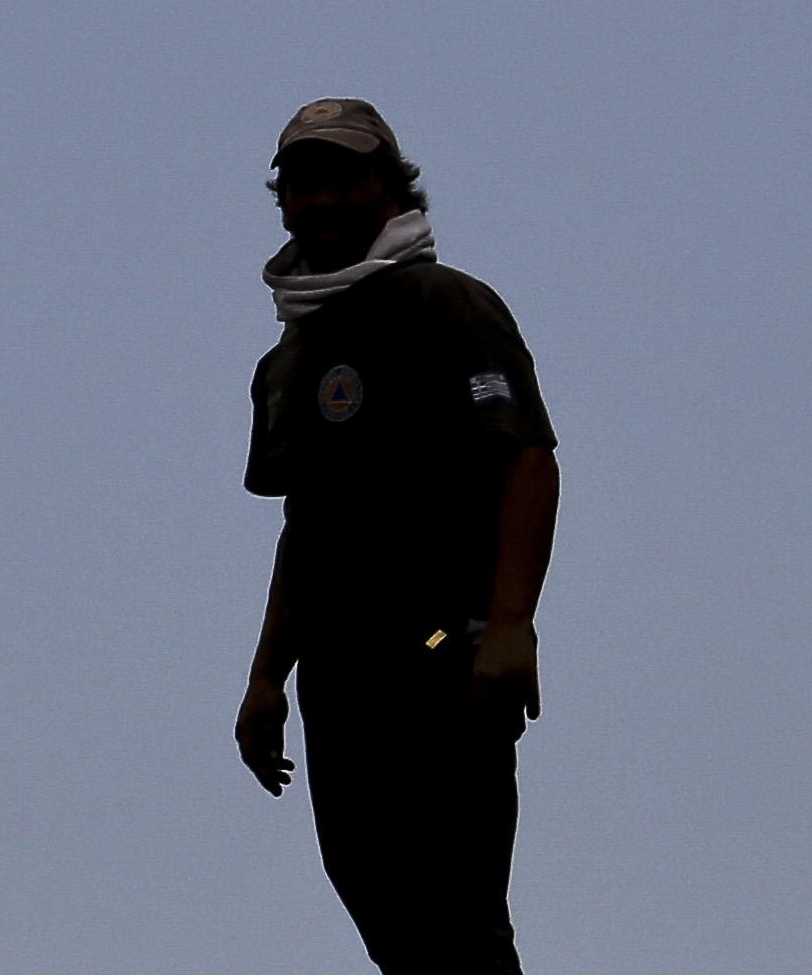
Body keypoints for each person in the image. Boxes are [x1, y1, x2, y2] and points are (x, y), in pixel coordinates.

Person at [234, 99, 559, 975]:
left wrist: (513, 625)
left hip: (441, 647)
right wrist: (268, 676)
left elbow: (528, 459)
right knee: (382, 907)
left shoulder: (445, 304)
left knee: (458, 910)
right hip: (342, 676)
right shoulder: (291, 356)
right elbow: (302, 521)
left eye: (345, 178)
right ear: (284, 202)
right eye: (304, 185)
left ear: (387, 186)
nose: (324, 200)